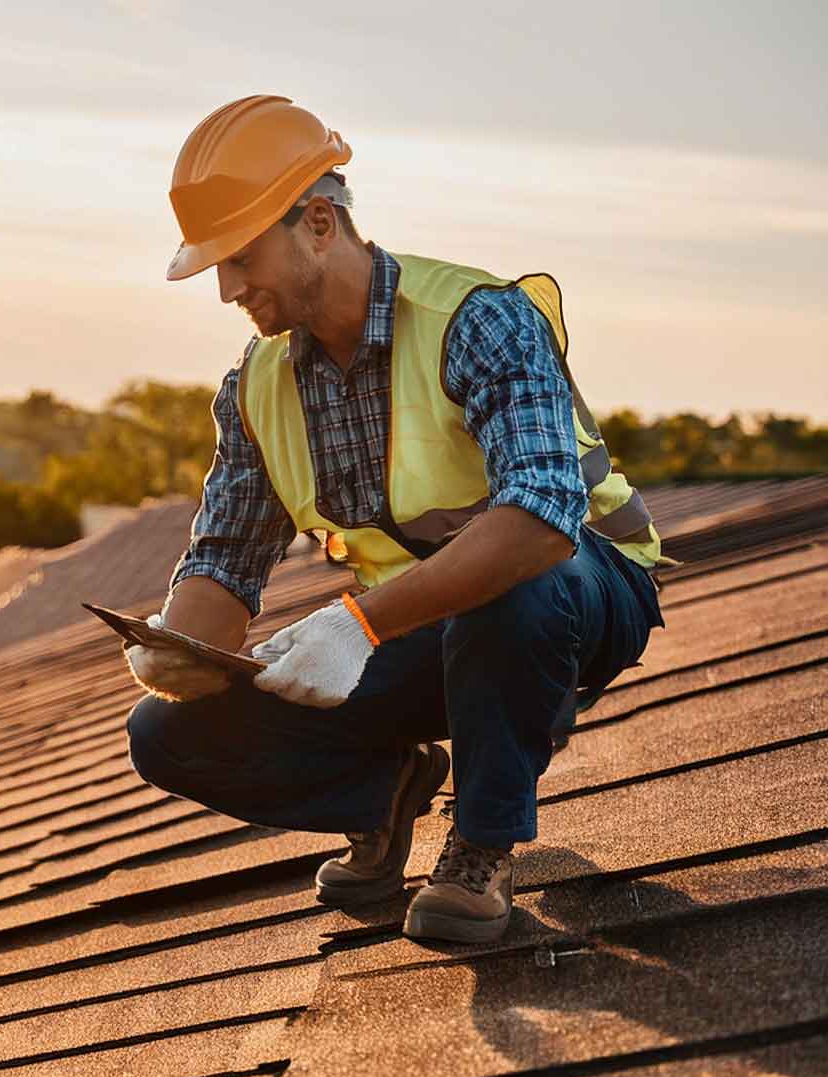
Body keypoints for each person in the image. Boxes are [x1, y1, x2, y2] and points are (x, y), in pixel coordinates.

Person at [125, 95, 669, 944]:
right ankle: (384, 791)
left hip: (578, 594)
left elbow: (537, 520)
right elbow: (225, 559)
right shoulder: (256, 387)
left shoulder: (478, 318)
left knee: (512, 583)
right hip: (416, 628)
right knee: (166, 733)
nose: (227, 288)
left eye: (238, 258)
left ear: (315, 222)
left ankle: (482, 846)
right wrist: (174, 650)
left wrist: (354, 626)